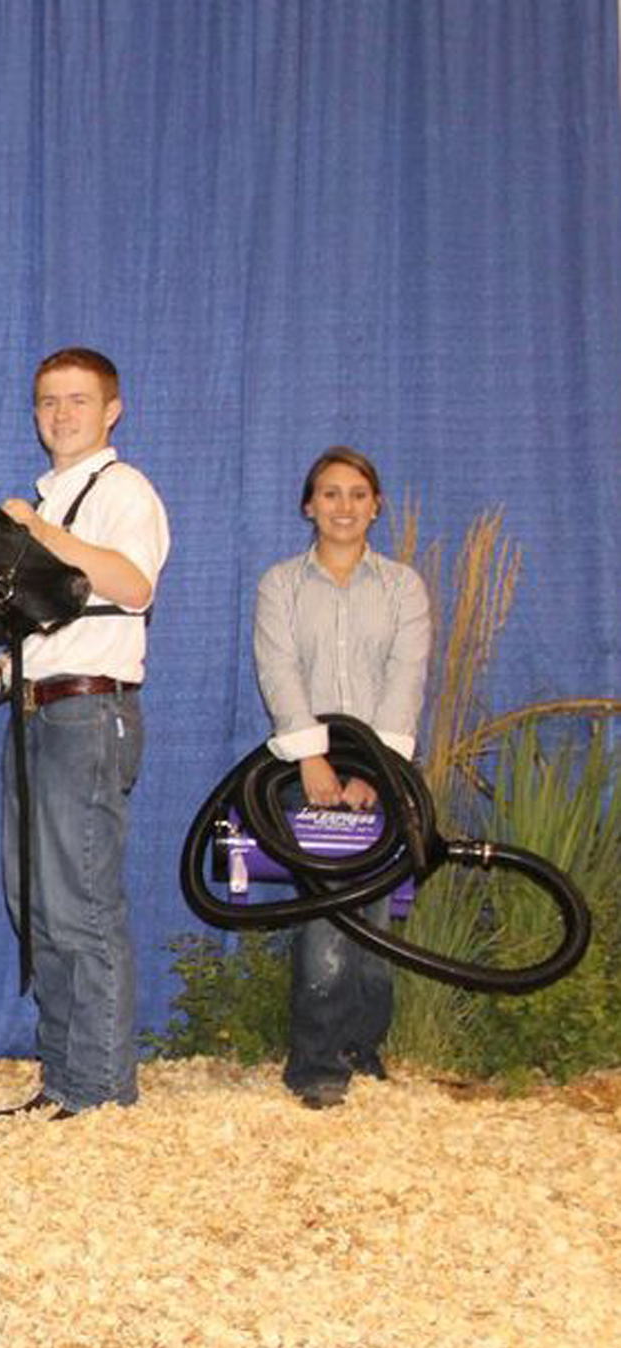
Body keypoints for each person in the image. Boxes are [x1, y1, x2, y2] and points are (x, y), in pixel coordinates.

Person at [0, 347, 170, 1120]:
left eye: (78, 401)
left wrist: (35, 536)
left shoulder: (124, 490)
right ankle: (63, 1078)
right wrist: (10, 666)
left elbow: (132, 585)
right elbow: (65, 615)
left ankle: (99, 1089)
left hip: (89, 715)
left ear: (111, 410)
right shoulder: (52, 501)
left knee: (81, 903)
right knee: (38, 904)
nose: (61, 414)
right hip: (40, 709)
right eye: (48, 402)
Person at [254, 446, 429, 1109]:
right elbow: (279, 671)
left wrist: (377, 775)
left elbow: (406, 677)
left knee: (376, 917)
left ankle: (363, 1046)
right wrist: (312, 757)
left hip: (381, 774)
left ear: (376, 506)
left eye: (357, 494)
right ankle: (318, 1063)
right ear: (309, 506)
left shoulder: (403, 587)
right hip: (306, 771)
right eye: (330, 494)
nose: (344, 506)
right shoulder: (281, 586)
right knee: (330, 915)